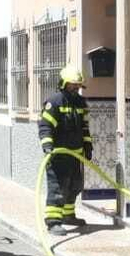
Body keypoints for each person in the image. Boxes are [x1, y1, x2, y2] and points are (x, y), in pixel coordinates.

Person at [38, 64, 93, 234]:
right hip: (58, 156)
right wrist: (47, 145)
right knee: (58, 188)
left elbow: (84, 127)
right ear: (63, 84)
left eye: (77, 85)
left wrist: (87, 145)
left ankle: (68, 215)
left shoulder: (81, 103)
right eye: (72, 85)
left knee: (74, 185)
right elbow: (45, 126)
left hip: (75, 155)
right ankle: (53, 221)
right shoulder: (54, 102)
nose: (75, 88)